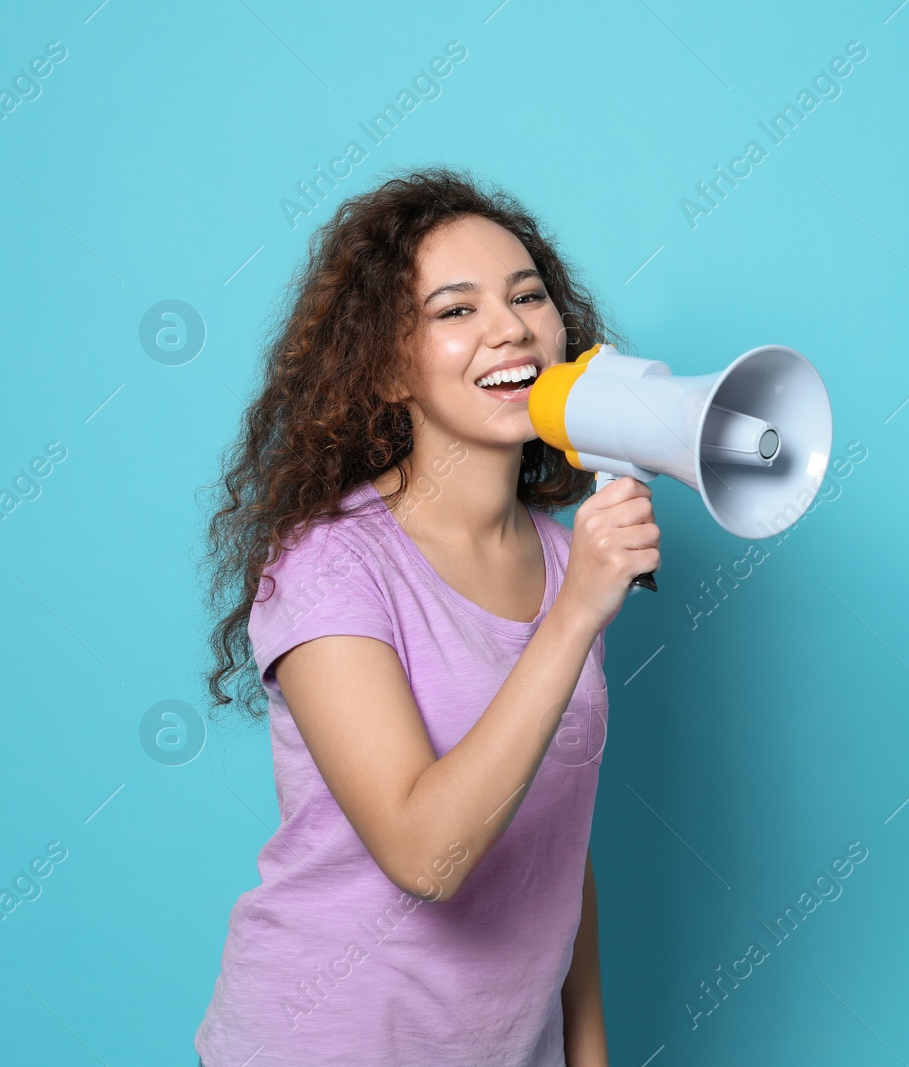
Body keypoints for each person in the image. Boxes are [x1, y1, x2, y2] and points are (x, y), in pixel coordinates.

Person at [193, 166, 658, 1066]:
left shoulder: (566, 557)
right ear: (387, 365)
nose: (510, 326)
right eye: (456, 310)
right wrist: (573, 618)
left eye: (529, 296)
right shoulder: (330, 565)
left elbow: (553, 837)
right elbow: (427, 858)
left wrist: (588, 1054)